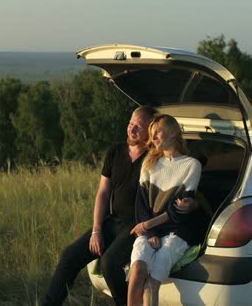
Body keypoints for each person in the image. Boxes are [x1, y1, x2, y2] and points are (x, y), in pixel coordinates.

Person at [43, 105, 157, 306]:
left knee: (110, 264)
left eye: (139, 127)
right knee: (69, 256)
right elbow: (103, 192)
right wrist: (97, 229)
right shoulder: (115, 152)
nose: (132, 129)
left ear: (150, 131)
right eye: (131, 124)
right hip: (112, 221)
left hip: (136, 225)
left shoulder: (154, 159)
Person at [127, 114, 207, 306]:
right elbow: (141, 203)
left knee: (153, 281)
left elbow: (178, 212)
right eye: (152, 134)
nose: (153, 138)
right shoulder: (149, 163)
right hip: (152, 229)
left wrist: (147, 225)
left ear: (173, 133)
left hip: (178, 230)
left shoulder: (191, 165)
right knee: (137, 270)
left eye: (158, 132)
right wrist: (151, 231)